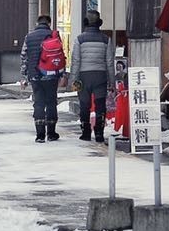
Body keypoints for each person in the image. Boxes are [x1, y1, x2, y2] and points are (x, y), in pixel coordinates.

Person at [70, 10, 115, 142]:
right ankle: (99, 133)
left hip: (83, 76)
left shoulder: (79, 39)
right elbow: (110, 62)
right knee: (100, 105)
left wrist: (73, 79)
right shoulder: (106, 39)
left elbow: (76, 61)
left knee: (84, 104)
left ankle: (85, 131)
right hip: (100, 76)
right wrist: (112, 81)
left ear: (85, 23)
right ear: (99, 24)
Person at [20, 15, 63, 143]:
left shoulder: (29, 37)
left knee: (39, 102)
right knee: (51, 102)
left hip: (35, 75)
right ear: (49, 23)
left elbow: (24, 57)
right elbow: (61, 55)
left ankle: (40, 135)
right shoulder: (54, 35)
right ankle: (51, 133)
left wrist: (24, 76)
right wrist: (62, 74)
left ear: (37, 23)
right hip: (51, 74)